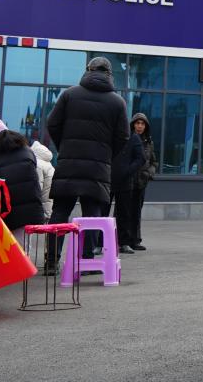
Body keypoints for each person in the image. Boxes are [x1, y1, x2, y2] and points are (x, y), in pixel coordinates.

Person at [45, 57, 129, 271]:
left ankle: (51, 261)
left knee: (60, 212)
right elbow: (123, 136)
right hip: (98, 167)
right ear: (109, 74)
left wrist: (64, 147)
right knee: (93, 214)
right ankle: (88, 261)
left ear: (88, 70)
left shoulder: (69, 95)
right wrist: (106, 154)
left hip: (69, 163)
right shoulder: (117, 102)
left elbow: (52, 123)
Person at [0, 129, 46, 244]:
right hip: (31, 208)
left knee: (9, 247)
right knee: (23, 247)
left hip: (9, 211)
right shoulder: (28, 152)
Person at [110, 122, 145, 254]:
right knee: (102, 213)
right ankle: (99, 243)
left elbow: (141, 158)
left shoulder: (133, 137)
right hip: (107, 179)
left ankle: (123, 243)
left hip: (125, 181)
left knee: (124, 213)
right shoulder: (108, 135)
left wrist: (128, 171)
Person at [128, 114, 156, 250]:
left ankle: (135, 240)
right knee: (124, 212)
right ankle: (122, 240)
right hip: (128, 182)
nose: (140, 126)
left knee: (136, 212)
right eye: (137, 123)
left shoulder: (149, 142)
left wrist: (149, 173)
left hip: (142, 182)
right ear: (133, 124)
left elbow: (153, 162)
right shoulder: (127, 139)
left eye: (142, 124)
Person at [30, 140, 55, 221]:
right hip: (49, 201)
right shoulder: (48, 164)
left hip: (41, 205)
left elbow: (38, 187)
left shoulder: (38, 165)